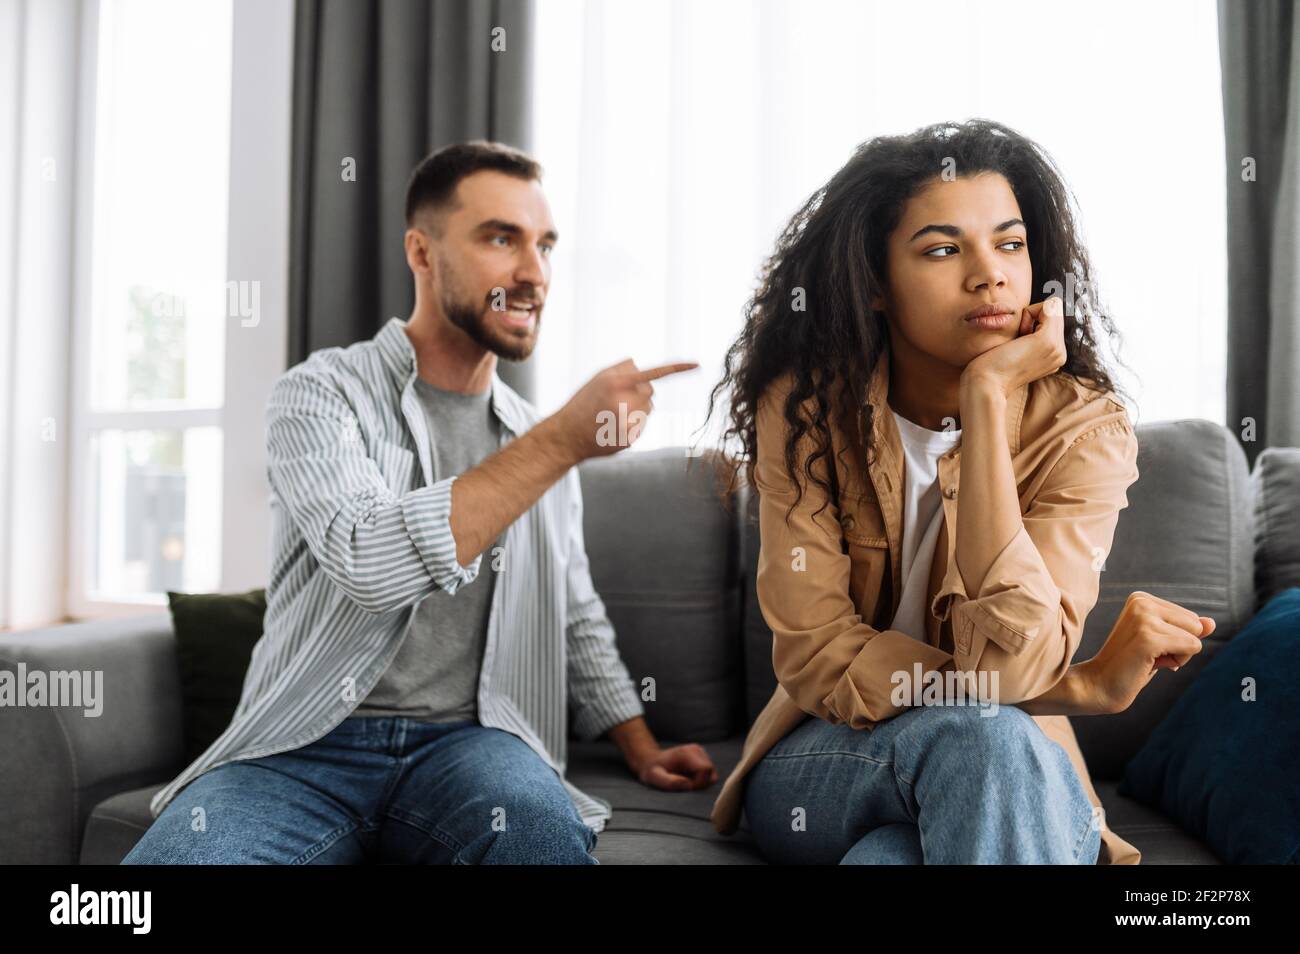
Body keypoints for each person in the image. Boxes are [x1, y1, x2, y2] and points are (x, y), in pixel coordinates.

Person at [123, 140, 715, 865]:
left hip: (473, 746)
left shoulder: (534, 439)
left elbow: (574, 606)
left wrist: (641, 746)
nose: (534, 273)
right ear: (422, 253)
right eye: (502, 238)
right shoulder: (321, 394)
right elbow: (368, 558)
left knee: (536, 838)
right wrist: (563, 439)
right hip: (301, 745)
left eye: (546, 245)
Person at [702, 119, 1213, 864]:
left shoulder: (1085, 431)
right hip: (833, 756)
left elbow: (1010, 665)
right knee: (982, 734)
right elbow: (815, 658)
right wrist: (1073, 688)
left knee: (896, 854)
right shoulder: (807, 411)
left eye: (1009, 244)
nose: (990, 274)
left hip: (1006, 769)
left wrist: (987, 393)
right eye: (943, 250)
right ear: (874, 285)